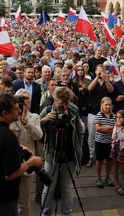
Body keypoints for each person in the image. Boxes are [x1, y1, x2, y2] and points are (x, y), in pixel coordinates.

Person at [0, 93, 44, 216]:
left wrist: (18, 147)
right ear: (5, 113)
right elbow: (10, 175)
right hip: (2, 198)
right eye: (16, 109)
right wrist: (31, 162)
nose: (20, 111)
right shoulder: (8, 136)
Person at [39, 87, 85, 216]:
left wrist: (79, 149)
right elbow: (35, 129)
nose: (63, 107)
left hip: (69, 154)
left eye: (66, 103)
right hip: (52, 155)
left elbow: (80, 131)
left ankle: (66, 213)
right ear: (54, 100)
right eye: (60, 103)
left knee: (67, 187)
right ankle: (45, 213)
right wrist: (45, 120)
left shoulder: (73, 110)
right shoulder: (47, 110)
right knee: (49, 187)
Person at [9, 89, 43, 216]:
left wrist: (26, 122)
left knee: (24, 203)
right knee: (9, 201)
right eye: (20, 99)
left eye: (26, 98)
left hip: (27, 164)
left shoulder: (34, 117)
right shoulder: (10, 117)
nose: (23, 101)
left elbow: (38, 135)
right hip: (11, 163)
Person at [94, 97, 115, 188]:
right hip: (100, 141)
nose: (108, 106)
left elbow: (116, 128)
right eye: (106, 104)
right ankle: (98, 177)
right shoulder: (99, 115)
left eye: (109, 105)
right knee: (99, 160)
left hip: (110, 142)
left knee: (109, 160)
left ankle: (107, 176)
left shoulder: (114, 116)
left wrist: (105, 128)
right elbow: (98, 128)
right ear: (102, 105)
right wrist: (110, 128)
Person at [111, 109, 124, 195]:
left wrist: (118, 128)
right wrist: (117, 128)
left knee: (123, 168)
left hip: (123, 148)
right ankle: (117, 184)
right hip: (115, 146)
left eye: (121, 117)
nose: (118, 119)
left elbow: (122, 137)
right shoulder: (116, 126)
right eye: (117, 117)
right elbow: (114, 137)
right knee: (115, 166)